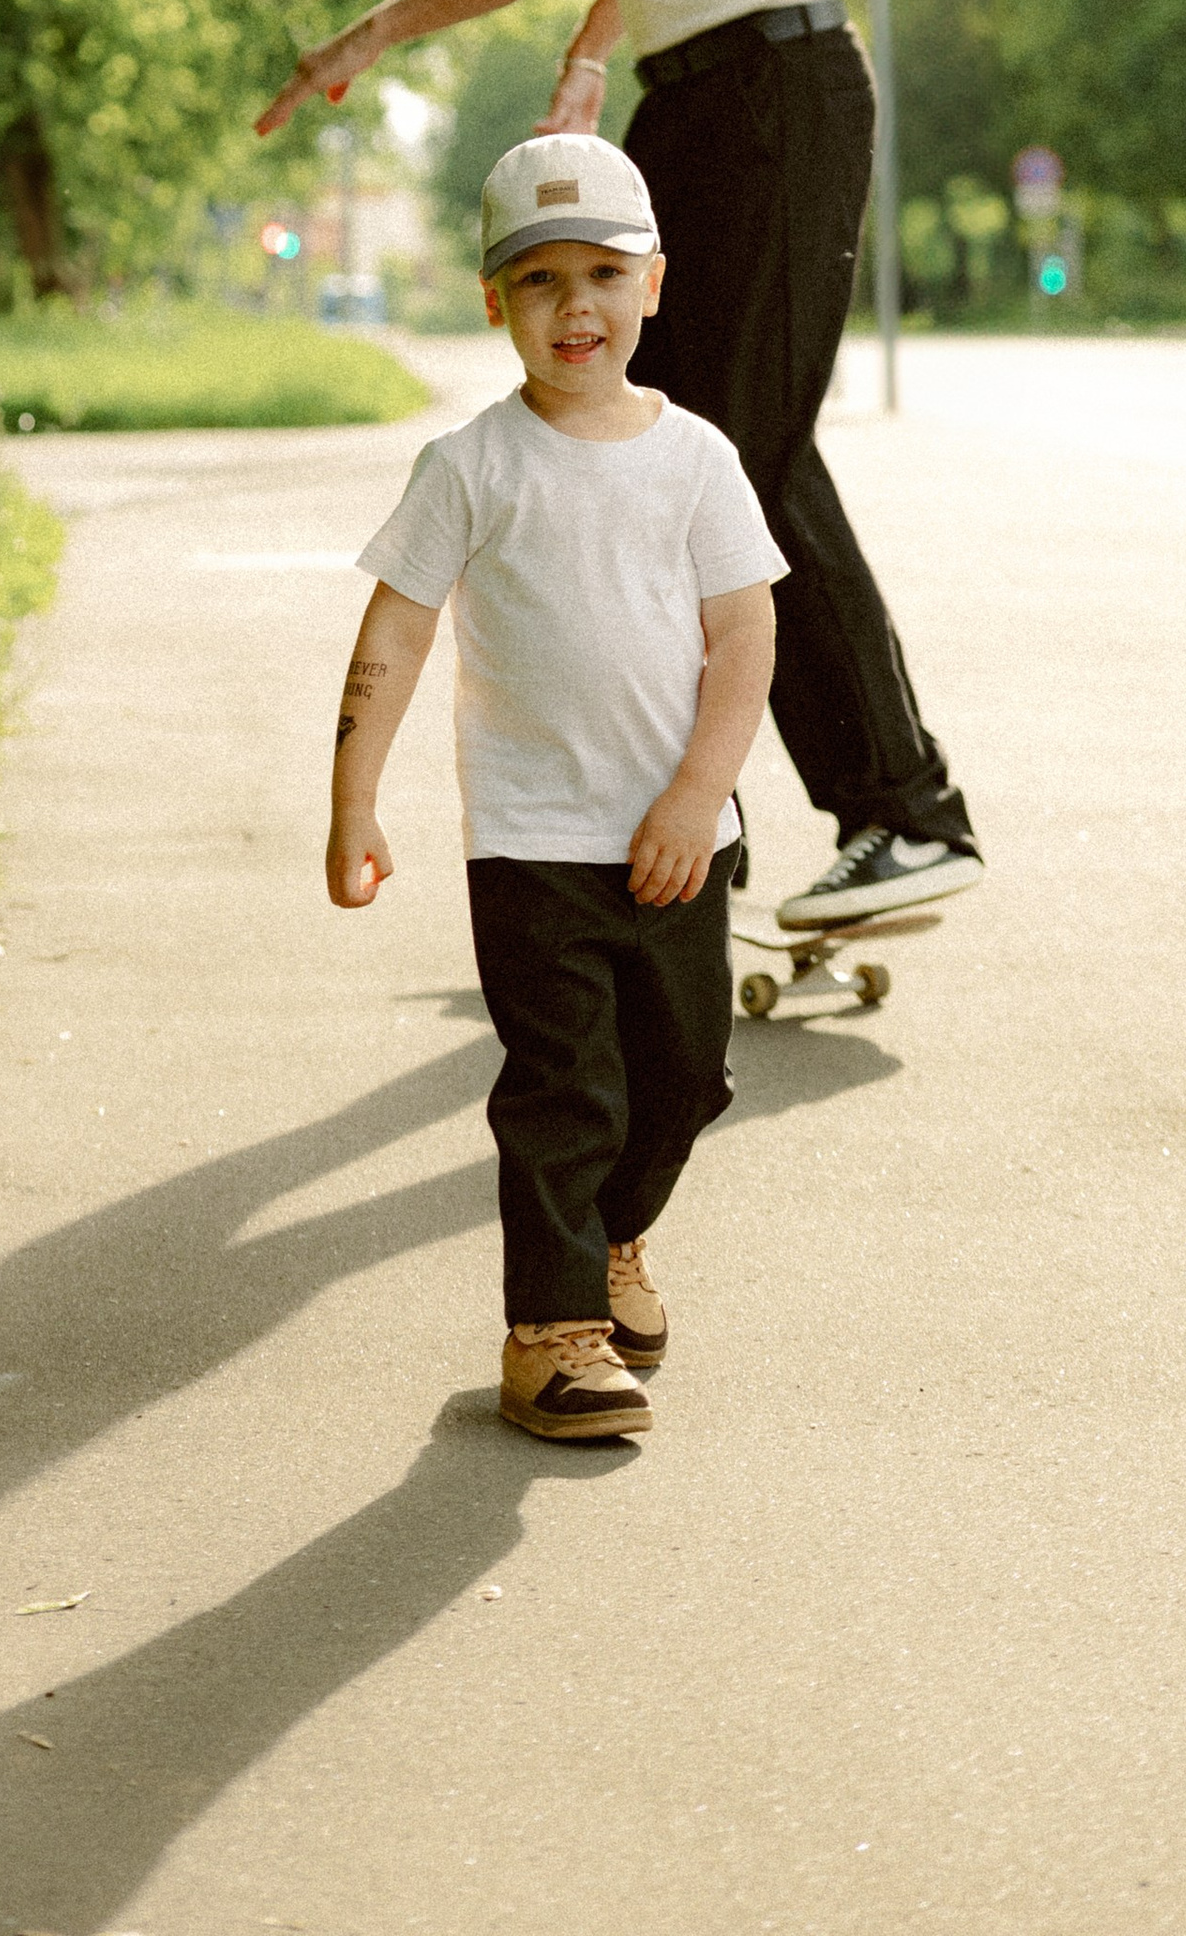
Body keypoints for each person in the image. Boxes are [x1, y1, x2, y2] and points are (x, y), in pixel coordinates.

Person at [260, 0, 977, 932]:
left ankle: (906, 814)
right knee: (690, 447)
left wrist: (378, 31)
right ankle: (704, 834)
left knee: (739, 466)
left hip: (784, 94)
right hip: (700, 95)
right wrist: (596, 58)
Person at [330, 131, 782, 1440]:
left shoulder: (696, 459)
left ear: (653, 284)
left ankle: (613, 1241)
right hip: (532, 849)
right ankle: (552, 1332)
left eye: (601, 273)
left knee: (686, 1079)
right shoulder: (469, 469)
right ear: (494, 302)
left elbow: (746, 636)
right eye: (539, 281)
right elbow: (395, 635)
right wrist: (355, 800)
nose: (573, 306)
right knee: (565, 1088)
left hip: (683, 838)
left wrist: (701, 792)